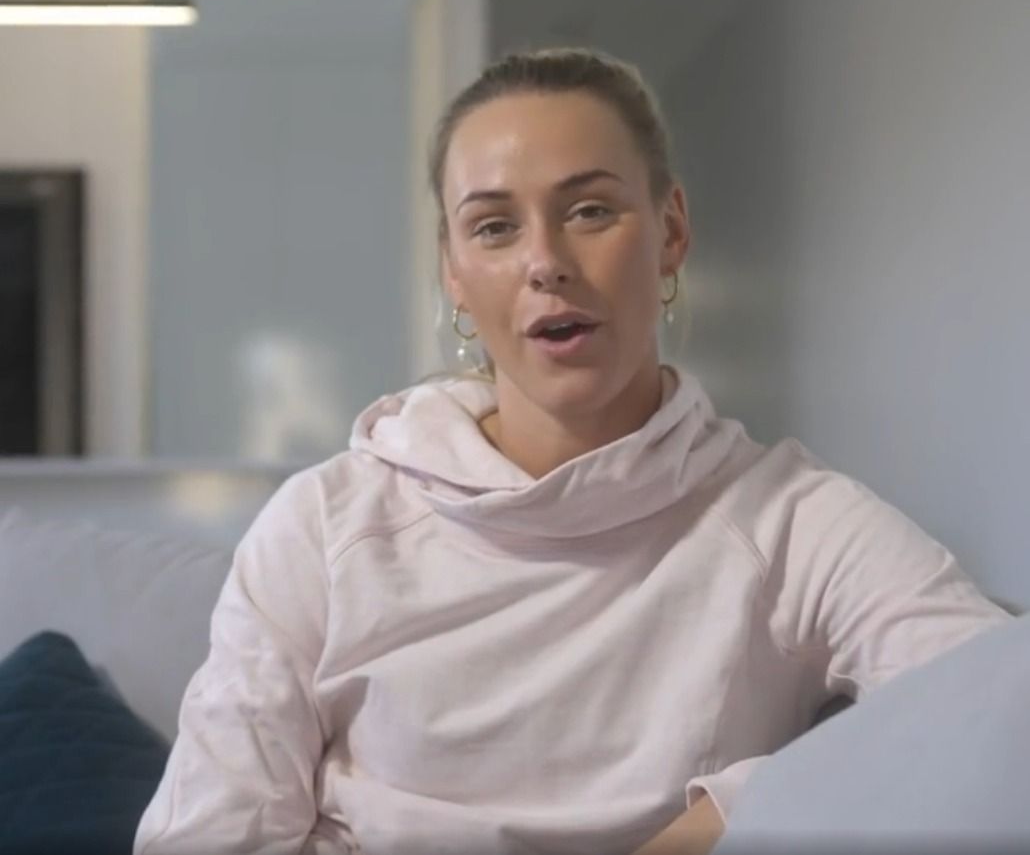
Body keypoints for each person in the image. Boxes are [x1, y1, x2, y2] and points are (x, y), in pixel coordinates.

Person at [133, 48, 1009, 855]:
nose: (545, 262)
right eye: (493, 227)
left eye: (590, 211)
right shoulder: (326, 523)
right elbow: (210, 834)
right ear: (452, 272)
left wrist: (742, 806)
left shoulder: (789, 520)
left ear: (670, 231)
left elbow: (1001, 709)